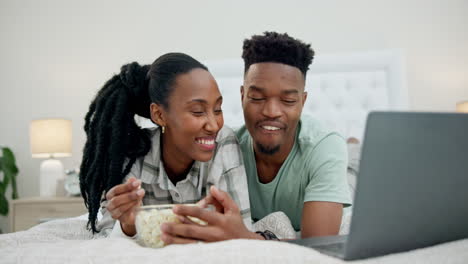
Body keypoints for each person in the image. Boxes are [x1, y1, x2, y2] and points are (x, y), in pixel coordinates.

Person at [160, 32, 351, 243]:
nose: (271, 111)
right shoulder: (224, 147)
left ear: (302, 102)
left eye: (287, 100)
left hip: (345, 169)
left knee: (352, 160)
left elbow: (320, 247)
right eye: (257, 98)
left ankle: (353, 144)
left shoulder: (324, 147)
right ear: (242, 96)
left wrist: (247, 238)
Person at [79, 52, 251, 237]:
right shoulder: (132, 155)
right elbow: (106, 236)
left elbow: (241, 229)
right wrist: (129, 226)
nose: (213, 124)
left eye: (217, 109)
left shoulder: (223, 142)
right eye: (198, 111)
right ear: (159, 115)